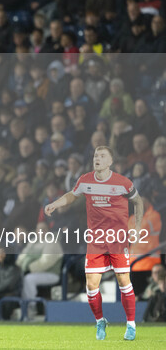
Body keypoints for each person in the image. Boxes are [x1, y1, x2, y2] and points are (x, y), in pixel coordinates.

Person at [45, 145, 144, 341]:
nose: (97, 158)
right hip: (96, 241)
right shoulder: (85, 180)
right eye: (95, 155)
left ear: (110, 162)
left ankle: (131, 325)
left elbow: (138, 202)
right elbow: (72, 195)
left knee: (124, 281)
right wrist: (56, 203)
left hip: (117, 240)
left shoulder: (123, 183)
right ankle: (100, 321)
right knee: (91, 286)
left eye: (102, 156)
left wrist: (138, 227)